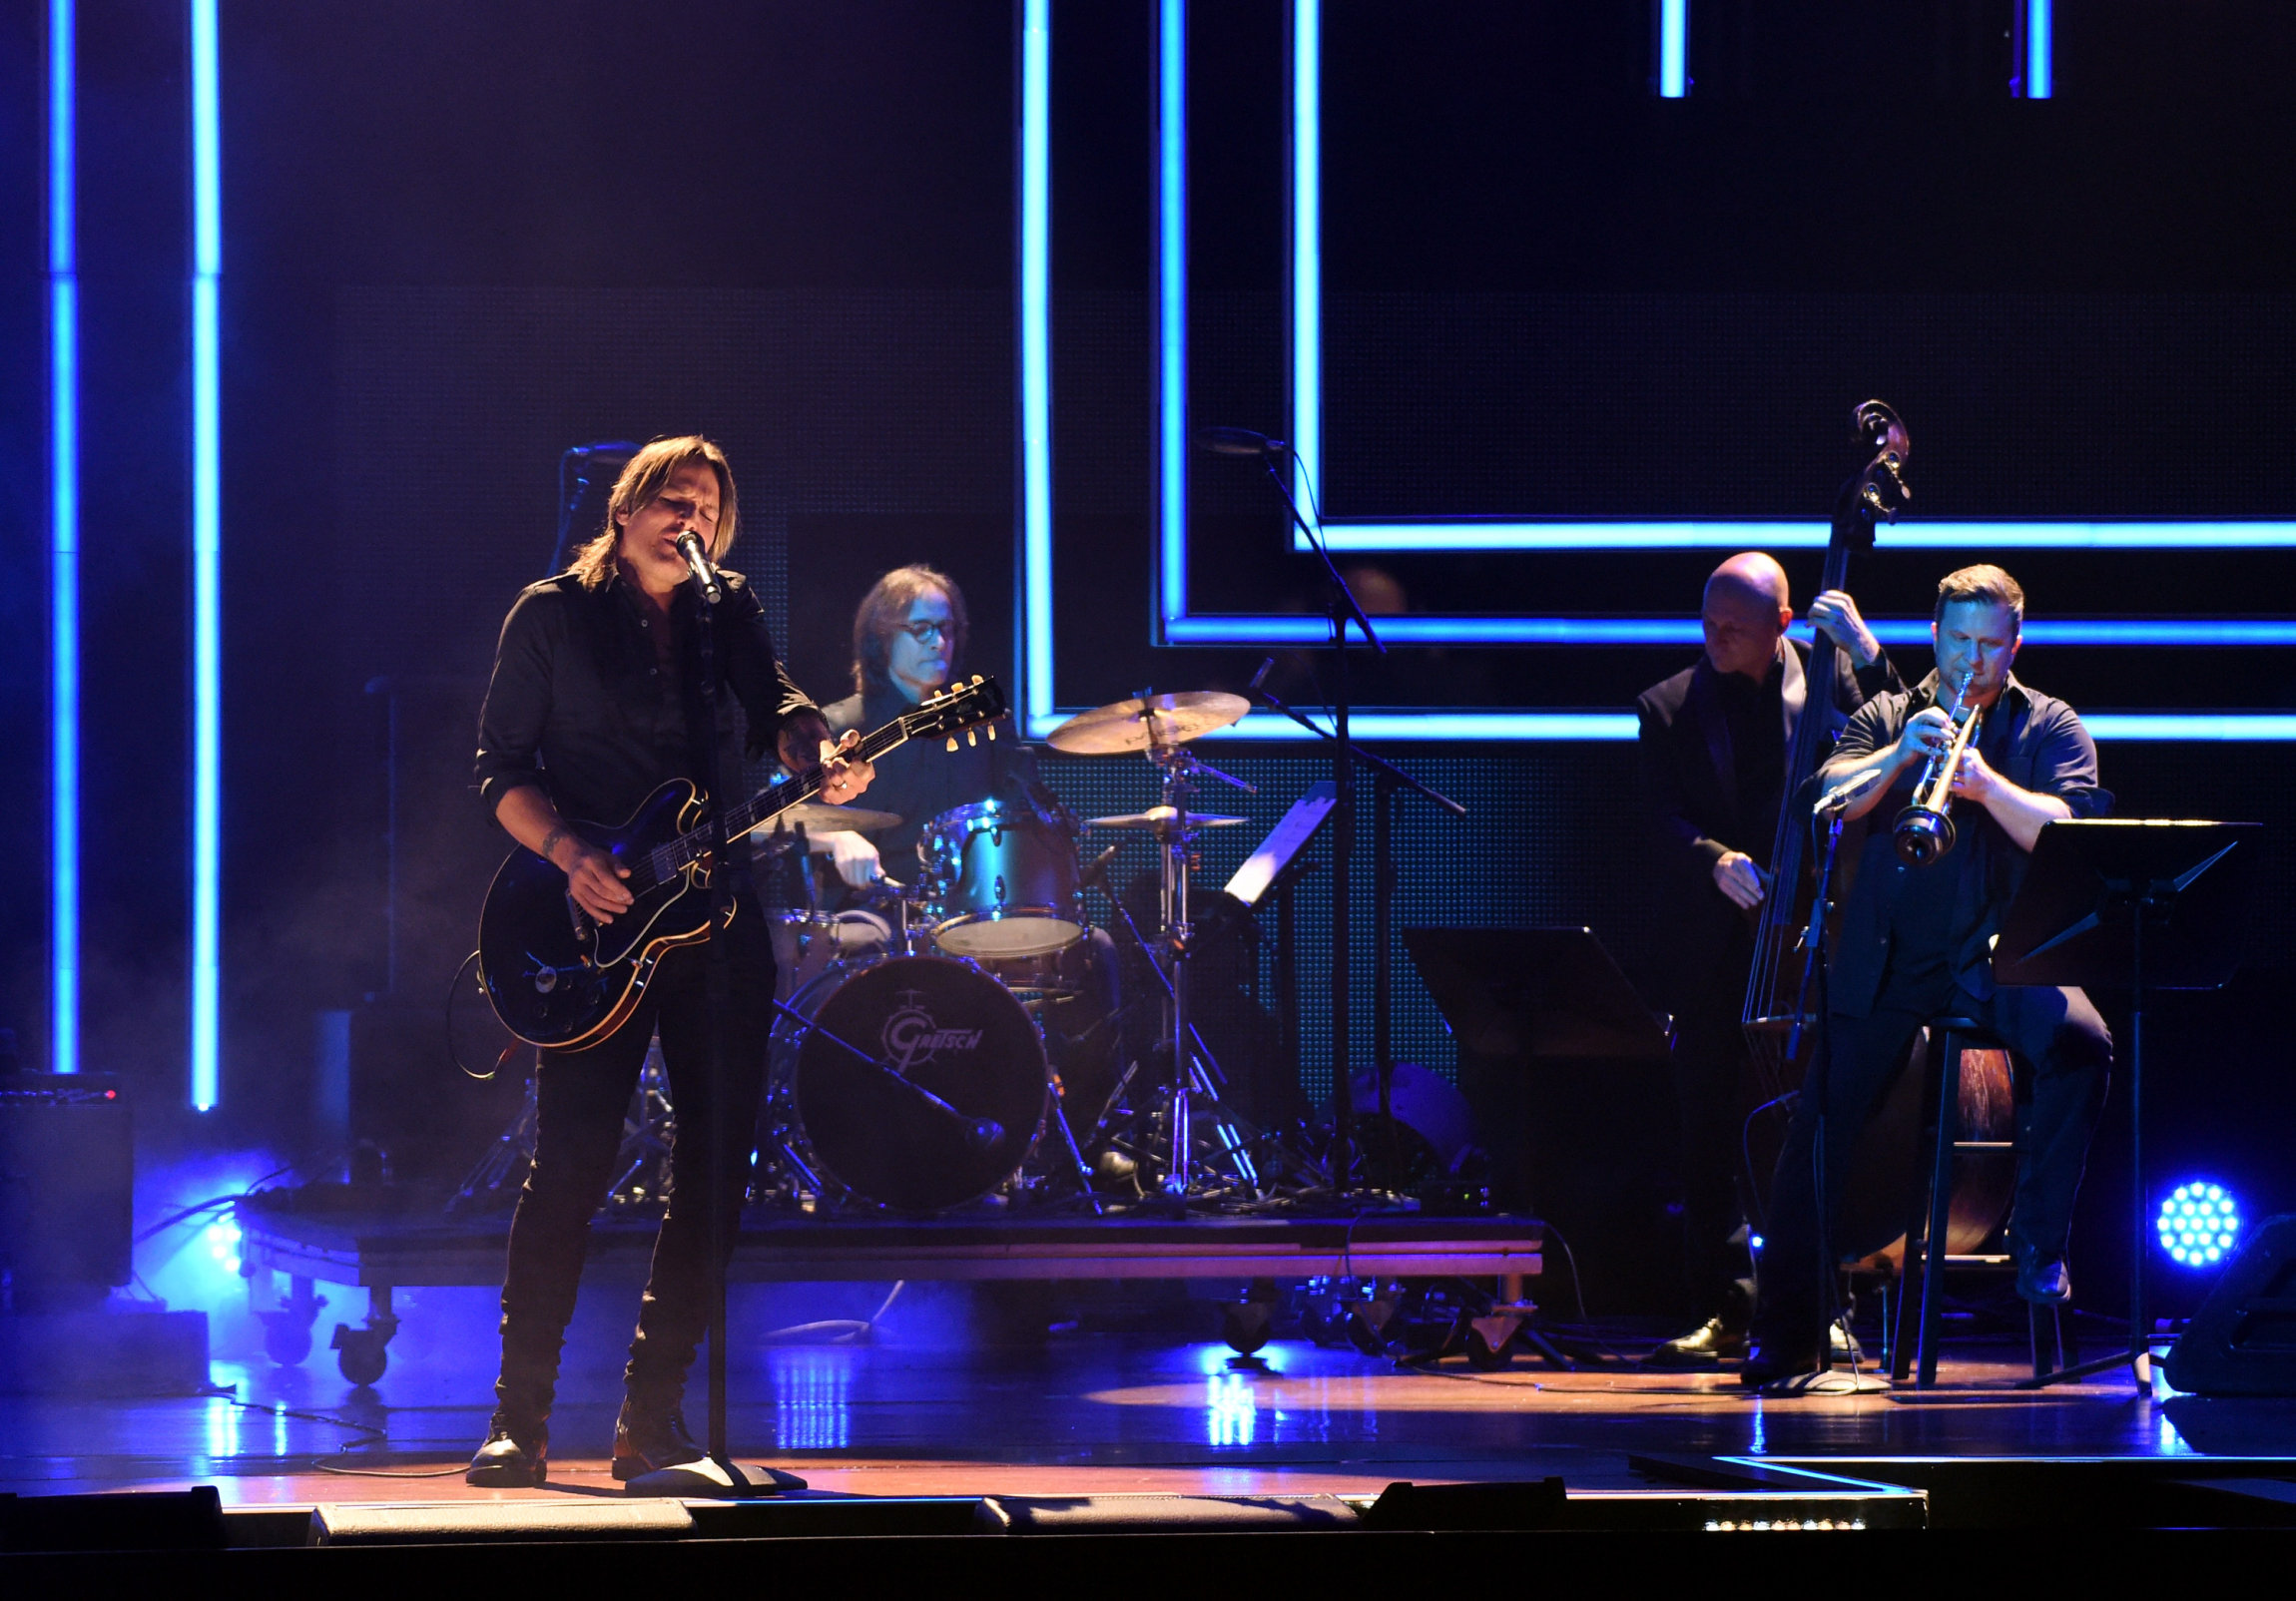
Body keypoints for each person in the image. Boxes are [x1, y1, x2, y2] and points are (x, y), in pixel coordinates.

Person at [466, 435, 872, 1486]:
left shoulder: (721, 607)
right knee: (570, 1166)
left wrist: (810, 751)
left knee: (714, 1173)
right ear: (625, 507)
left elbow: (777, 703)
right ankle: (520, 1419)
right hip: (589, 919)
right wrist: (566, 853)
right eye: (669, 497)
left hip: (715, 913)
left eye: (705, 504)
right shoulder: (551, 612)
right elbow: (499, 769)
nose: (686, 515)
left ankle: (652, 1420)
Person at [1741, 564, 2113, 1387]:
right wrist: (1897, 761)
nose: (1971, 664)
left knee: (2085, 1042)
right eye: (1957, 643)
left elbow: (2068, 826)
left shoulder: (2048, 723)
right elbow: (1826, 799)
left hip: (2003, 956)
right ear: (1934, 636)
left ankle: (2039, 1246)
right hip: (1889, 961)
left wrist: (1984, 785)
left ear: (2014, 643)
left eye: (1988, 645)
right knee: (1819, 1128)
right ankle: (1785, 1330)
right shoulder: (1886, 714)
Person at [1636, 552, 1901, 1366]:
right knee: (1706, 1123)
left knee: (1817, 1126)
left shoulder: (1829, 690)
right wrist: (1712, 857)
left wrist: (1864, 651)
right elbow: (1656, 817)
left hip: (1814, 933)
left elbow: (1903, 729)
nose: (1715, 640)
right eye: (1708, 624)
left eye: (1734, 630)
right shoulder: (1669, 704)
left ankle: (1824, 1304)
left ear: (1783, 627)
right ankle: (1722, 1307)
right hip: (1717, 941)